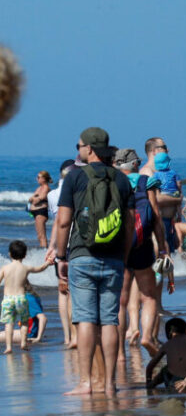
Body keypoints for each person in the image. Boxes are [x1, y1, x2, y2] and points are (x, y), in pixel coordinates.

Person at [56, 127, 135, 395]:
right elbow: (129, 227)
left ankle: (86, 382)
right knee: (110, 321)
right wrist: (122, 258)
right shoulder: (123, 181)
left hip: (82, 255)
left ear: (89, 148)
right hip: (113, 258)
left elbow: (64, 220)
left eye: (78, 145)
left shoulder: (75, 177)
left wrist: (60, 256)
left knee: (86, 319)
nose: (77, 150)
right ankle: (111, 384)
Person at [114, 148, 171, 359]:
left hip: (120, 247)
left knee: (121, 300)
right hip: (142, 244)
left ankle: (119, 352)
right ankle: (146, 336)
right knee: (148, 296)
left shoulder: (114, 182)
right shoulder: (145, 182)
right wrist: (163, 248)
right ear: (136, 164)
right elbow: (155, 216)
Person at [0, 240, 52, 353]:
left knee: (9, 324)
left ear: (9, 254)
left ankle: (8, 347)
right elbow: (40, 269)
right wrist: (48, 263)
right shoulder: (25, 268)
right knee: (24, 321)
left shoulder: (5, 268)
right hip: (21, 298)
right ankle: (23, 343)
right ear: (24, 255)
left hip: (8, 299)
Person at [46, 159, 76, 347]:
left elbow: (57, 222)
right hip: (78, 243)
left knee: (62, 290)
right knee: (75, 290)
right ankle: (75, 335)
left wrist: (52, 247)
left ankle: (67, 337)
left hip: (61, 246)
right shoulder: (79, 189)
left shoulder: (52, 194)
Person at [29, 170, 52, 248]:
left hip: (41, 212)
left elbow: (36, 200)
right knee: (39, 236)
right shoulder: (39, 188)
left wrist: (34, 198)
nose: (37, 179)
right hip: (36, 212)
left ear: (44, 179)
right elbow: (30, 199)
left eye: (38, 177)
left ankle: (44, 252)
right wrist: (33, 198)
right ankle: (43, 250)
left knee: (42, 236)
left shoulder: (46, 188)